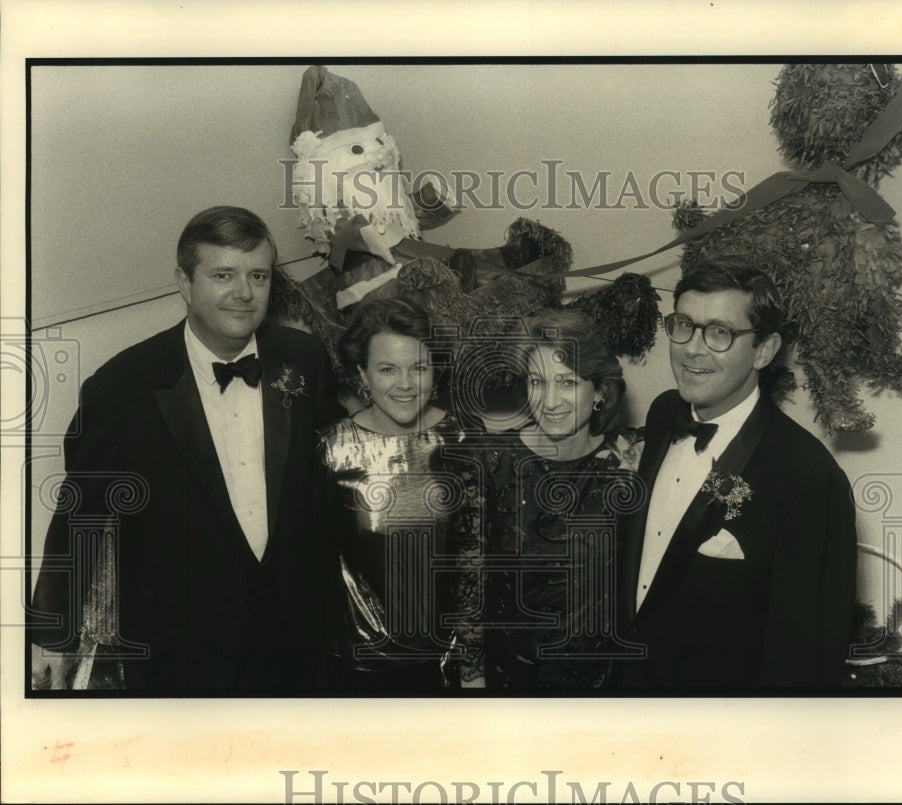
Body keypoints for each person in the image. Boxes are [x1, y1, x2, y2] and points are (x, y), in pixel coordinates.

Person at [29, 206, 338, 693]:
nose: (244, 292)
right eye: (223, 275)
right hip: (180, 644)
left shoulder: (304, 359)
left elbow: (331, 483)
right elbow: (80, 517)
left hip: (294, 632)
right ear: (184, 282)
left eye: (258, 275)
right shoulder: (121, 389)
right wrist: (50, 632)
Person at [619, 257, 857, 689]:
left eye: (720, 332)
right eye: (683, 325)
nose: (692, 347)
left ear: (764, 350)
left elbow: (806, 656)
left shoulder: (808, 475)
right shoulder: (663, 413)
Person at [463, 308, 644, 689]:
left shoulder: (630, 460)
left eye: (567, 382)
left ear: (599, 390)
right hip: (509, 680)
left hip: (601, 686)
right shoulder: (490, 461)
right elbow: (468, 582)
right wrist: (472, 676)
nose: (550, 401)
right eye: (536, 381)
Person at [317, 297, 478, 692]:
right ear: (362, 373)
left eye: (418, 368)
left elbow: (481, 560)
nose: (405, 384)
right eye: (388, 369)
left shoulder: (462, 440)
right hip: (363, 668)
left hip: (453, 662)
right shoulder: (331, 450)